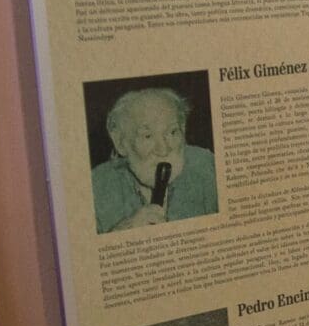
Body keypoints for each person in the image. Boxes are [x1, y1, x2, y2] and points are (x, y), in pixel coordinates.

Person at [92, 87, 219, 233]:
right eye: (148, 136)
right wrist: (118, 235)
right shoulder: (96, 187)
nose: (163, 150)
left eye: (172, 132)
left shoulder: (207, 165)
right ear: (120, 142)